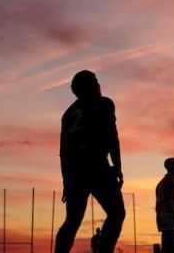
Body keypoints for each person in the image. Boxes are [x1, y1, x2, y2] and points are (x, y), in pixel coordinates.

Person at [56, 71, 125, 253]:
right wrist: (117, 167)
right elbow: (112, 137)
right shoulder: (103, 104)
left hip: (75, 172)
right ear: (89, 87)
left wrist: (67, 181)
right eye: (95, 81)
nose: (98, 84)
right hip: (96, 166)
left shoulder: (68, 114)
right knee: (117, 213)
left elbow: (64, 152)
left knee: (72, 221)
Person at [156, 158, 174, 253]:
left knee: (167, 243)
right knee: (171, 245)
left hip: (164, 217)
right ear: (171, 167)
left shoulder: (162, 182)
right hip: (169, 217)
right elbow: (171, 201)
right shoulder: (171, 181)